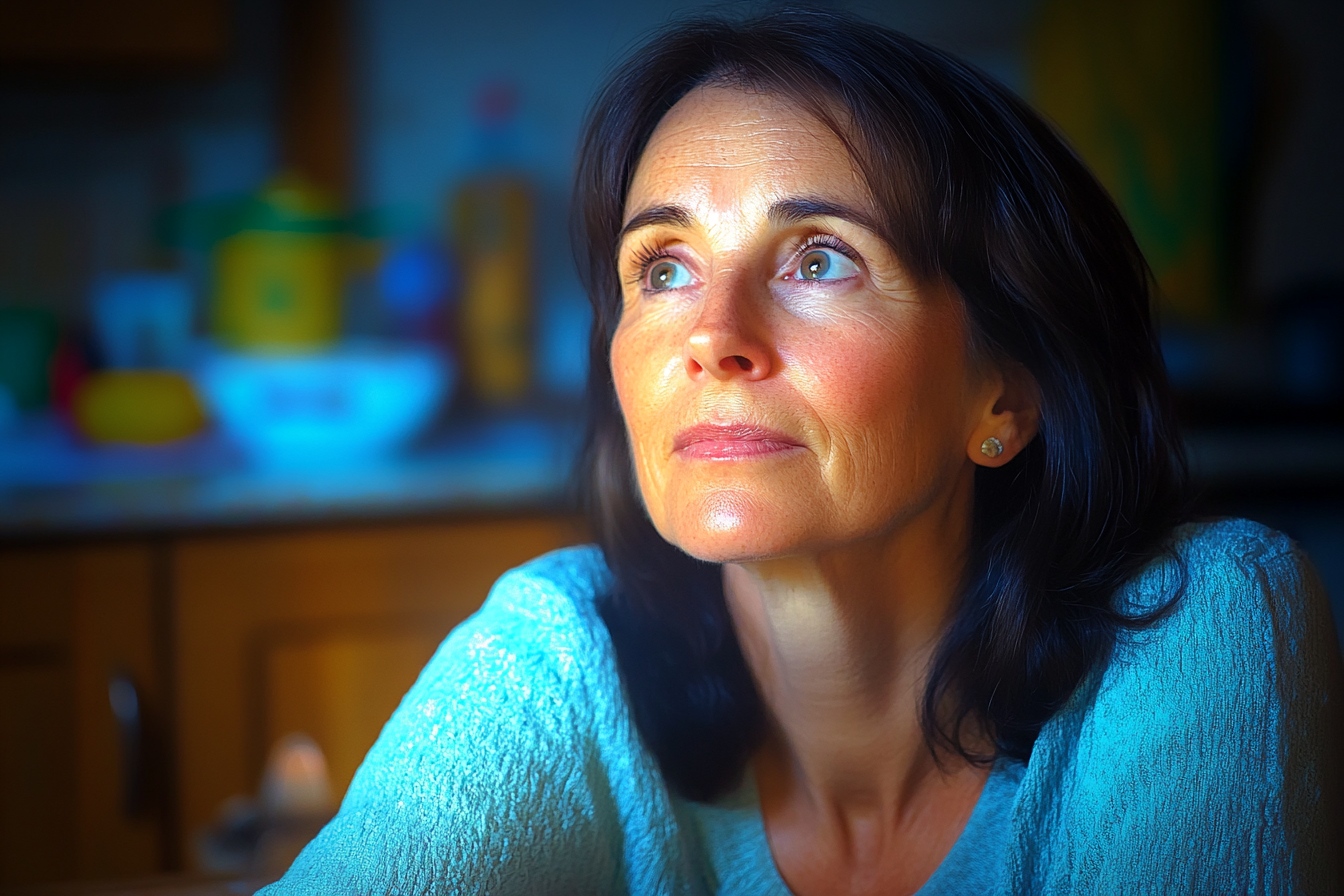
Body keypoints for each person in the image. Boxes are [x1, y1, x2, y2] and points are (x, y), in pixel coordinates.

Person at [261, 9, 1342, 895]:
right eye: (665, 267)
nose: (711, 336)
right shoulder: (558, 655)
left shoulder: (1200, 625)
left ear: (1005, 391)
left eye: (819, 258)